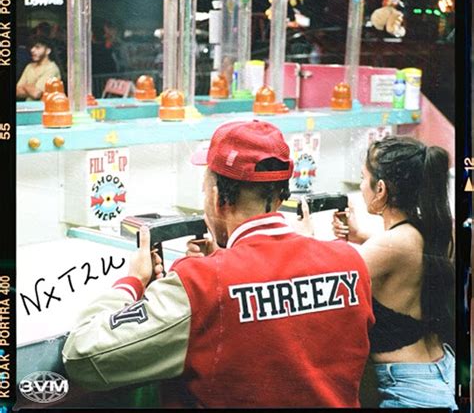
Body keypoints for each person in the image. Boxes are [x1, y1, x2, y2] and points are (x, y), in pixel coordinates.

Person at [62, 120, 374, 408]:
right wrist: (222, 261)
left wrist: (132, 282)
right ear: (281, 197)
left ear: (216, 197)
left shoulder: (201, 282)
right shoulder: (351, 261)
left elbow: (82, 355)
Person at [330, 135, 456, 409]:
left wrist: (303, 236)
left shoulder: (389, 247)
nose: (360, 186)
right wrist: (360, 237)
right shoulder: (437, 230)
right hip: (441, 372)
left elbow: (330, 284)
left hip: (410, 390)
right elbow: (407, 254)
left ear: (381, 189)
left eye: (363, 179)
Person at [16, 36, 61, 101]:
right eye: (32, 47)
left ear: (48, 51)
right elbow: (16, 91)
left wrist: (24, 86)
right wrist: (31, 88)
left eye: (37, 47)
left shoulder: (51, 68)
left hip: (45, 106)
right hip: (28, 106)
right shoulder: (29, 66)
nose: (32, 50)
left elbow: (36, 93)